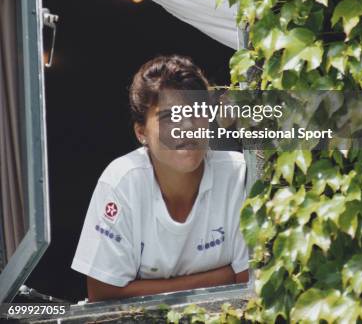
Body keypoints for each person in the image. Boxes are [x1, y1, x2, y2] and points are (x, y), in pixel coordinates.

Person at [71, 54, 249, 302]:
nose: (186, 126)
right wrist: (223, 277)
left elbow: (249, 282)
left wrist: (143, 288)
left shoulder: (238, 174)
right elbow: (103, 293)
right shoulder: (122, 182)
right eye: (168, 117)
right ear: (141, 132)